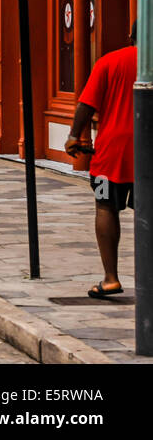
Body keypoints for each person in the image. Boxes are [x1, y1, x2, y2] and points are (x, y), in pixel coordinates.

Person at [65, 24, 137, 299]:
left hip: (111, 155)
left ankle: (110, 278)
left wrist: (73, 136)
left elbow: (86, 104)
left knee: (105, 206)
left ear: (130, 36)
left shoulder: (109, 62)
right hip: (146, 151)